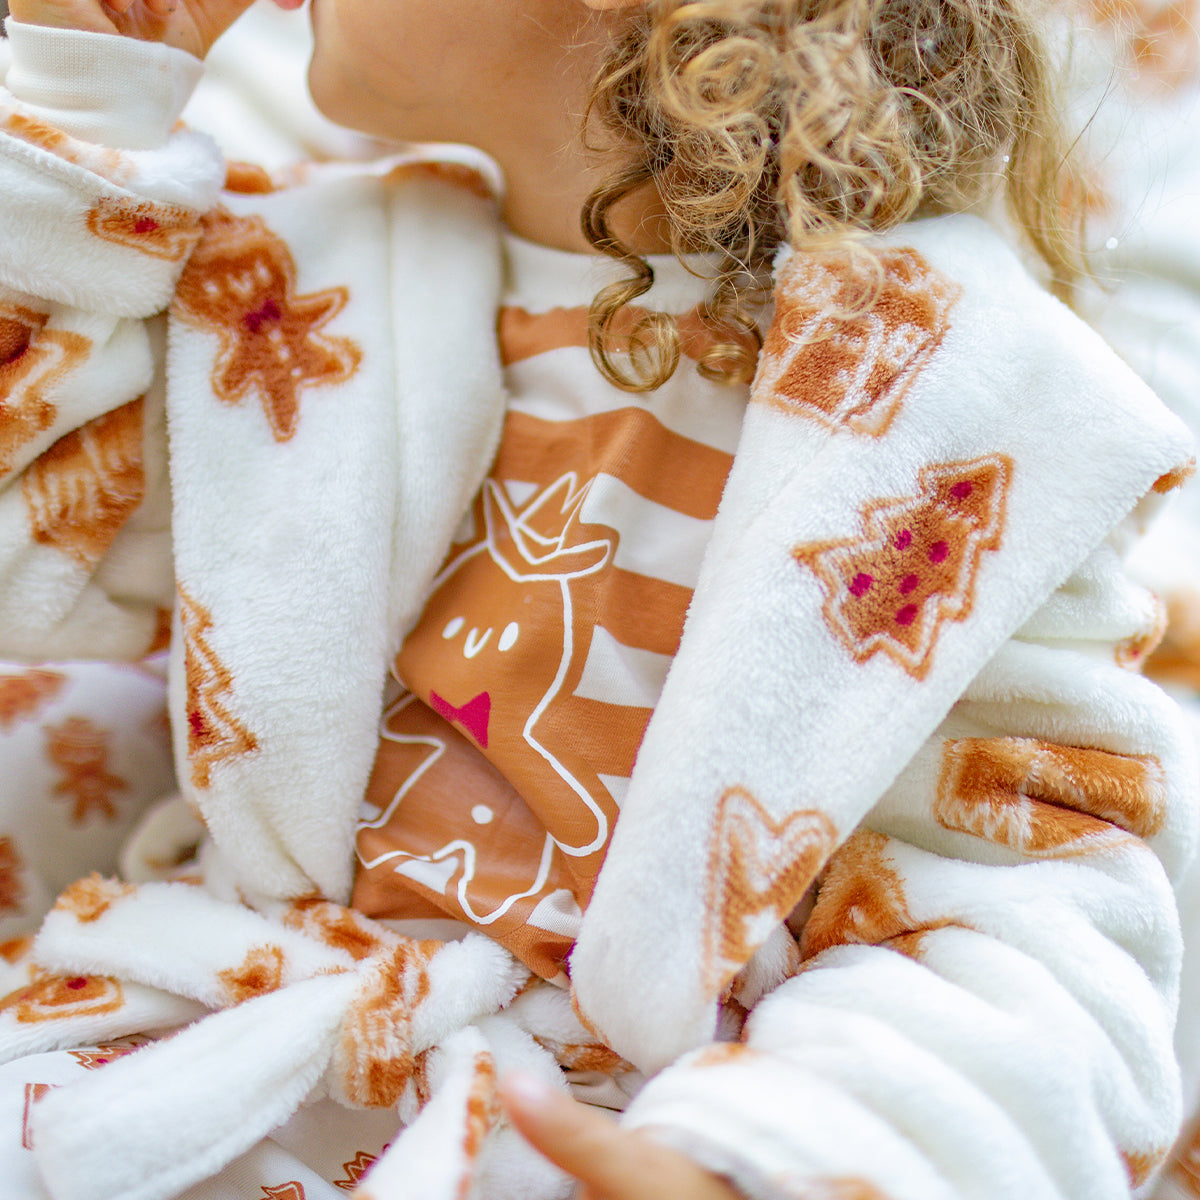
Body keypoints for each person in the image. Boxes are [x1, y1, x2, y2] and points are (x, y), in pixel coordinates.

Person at [0, 1, 1195, 1198]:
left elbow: (1025, 919)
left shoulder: (953, 411)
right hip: (214, 1058)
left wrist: (767, 1166)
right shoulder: (287, 288)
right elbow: (33, 524)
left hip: (628, 1129)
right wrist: (78, 93)